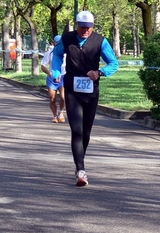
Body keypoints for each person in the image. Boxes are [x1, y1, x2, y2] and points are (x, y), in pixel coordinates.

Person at [51, 10, 119, 187]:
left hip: (91, 91)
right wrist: (57, 72)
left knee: (86, 132)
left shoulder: (100, 41)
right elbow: (57, 55)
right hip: (72, 89)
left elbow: (114, 63)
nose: (85, 31)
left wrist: (100, 72)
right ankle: (80, 170)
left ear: (92, 27)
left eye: (88, 28)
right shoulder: (67, 39)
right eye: (82, 27)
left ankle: (80, 161)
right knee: (77, 130)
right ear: (77, 25)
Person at [41, 35, 66, 123]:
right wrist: (49, 72)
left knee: (63, 97)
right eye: (57, 42)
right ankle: (55, 115)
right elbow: (43, 66)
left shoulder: (66, 53)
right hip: (52, 78)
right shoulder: (49, 53)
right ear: (54, 43)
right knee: (52, 98)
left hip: (63, 77)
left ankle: (61, 112)